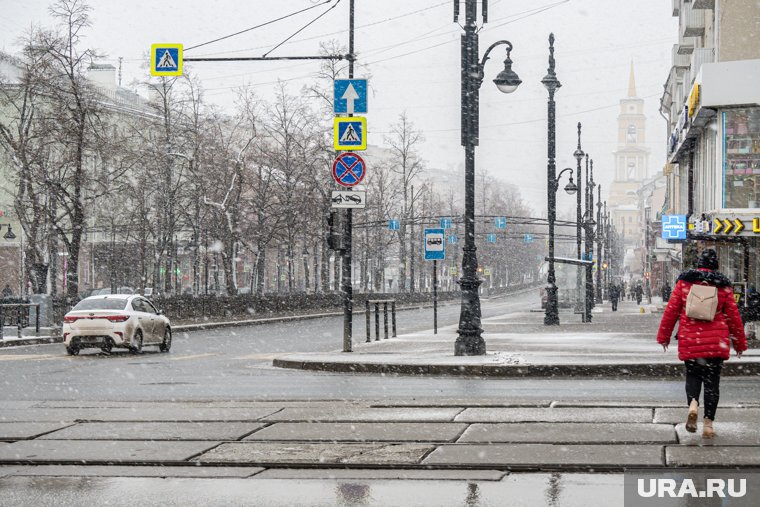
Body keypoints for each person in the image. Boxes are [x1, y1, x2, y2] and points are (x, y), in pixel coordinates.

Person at [656, 249, 747, 439]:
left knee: (693, 377)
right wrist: (739, 343)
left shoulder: (685, 282)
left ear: (698, 263)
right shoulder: (723, 285)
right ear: (716, 265)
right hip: (716, 344)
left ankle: (693, 405)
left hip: (691, 340)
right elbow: (733, 317)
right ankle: (708, 425)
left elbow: (671, 311)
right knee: (712, 383)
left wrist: (664, 337)